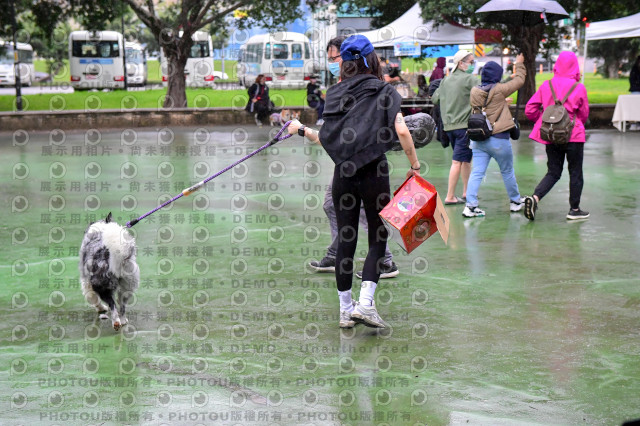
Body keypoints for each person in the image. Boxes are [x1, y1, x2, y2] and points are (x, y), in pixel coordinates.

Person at [288, 34, 420, 329]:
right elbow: (401, 130)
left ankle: (345, 311)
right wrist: (414, 164)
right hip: (374, 173)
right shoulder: (383, 91)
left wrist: (300, 130)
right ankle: (366, 304)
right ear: (371, 59)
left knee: (346, 241)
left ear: (346, 63)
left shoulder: (335, 95)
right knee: (377, 236)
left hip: (343, 175)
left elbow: (324, 138)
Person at [309, 36, 399, 280]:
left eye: (335, 58)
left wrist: (304, 131)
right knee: (336, 207)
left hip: (360, 164)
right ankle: (336, 254)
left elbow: (336, 135)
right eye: (329, 59)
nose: (333, 63)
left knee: (364, 215)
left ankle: (385, 260)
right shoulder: (341, 87)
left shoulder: (362, 87)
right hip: (346, 162)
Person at [523, 51, 590, 221]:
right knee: (575, 172)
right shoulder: (579, 87)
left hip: (551, 134)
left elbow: (530, 109)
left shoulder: (547, 85)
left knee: (553, 172)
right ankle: (574, 210)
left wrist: (542, 121)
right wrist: (574, 124)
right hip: (573, 136)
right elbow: (584, 113)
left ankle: (535, 197)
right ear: (575, 66)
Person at [463, 55, 527, 218]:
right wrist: (519, 64)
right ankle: (515, 201)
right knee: (507, 171)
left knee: (477, 172)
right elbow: (519, 81)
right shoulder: (499, 90)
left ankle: (470, 206)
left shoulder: (475, 91)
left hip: (479, 139)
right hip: (498, 139)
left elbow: (487, 105)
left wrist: (502, 102)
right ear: (497, 76)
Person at [431, 50, 478, 205]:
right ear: (461, 63)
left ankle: (466, 191)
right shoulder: (470, 79)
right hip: (464, 127)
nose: (472, 65)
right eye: (470, 62)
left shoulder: (445, 80)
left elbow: (435, 98)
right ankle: (450, 196)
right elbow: (482, 96)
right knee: (457, 162)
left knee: (465, 160)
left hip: (449, 127)